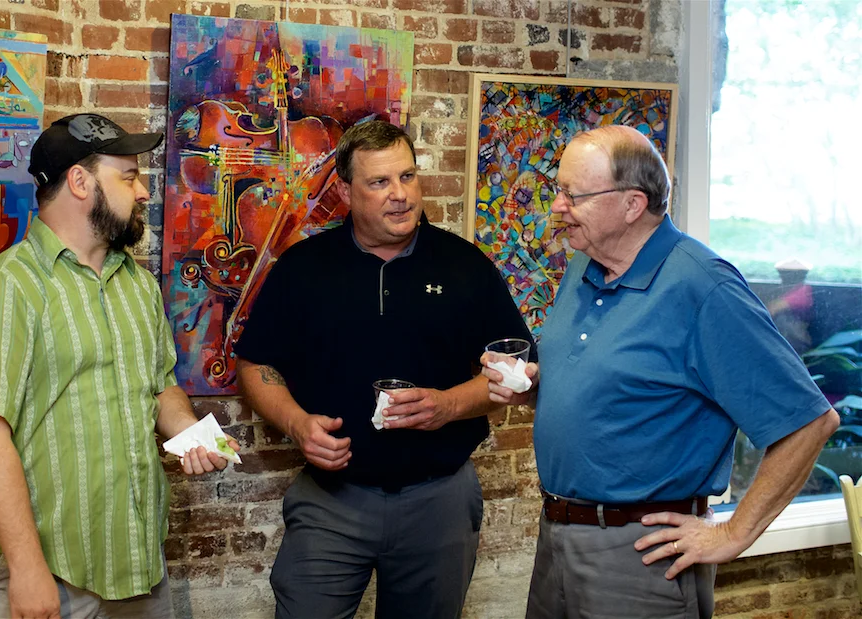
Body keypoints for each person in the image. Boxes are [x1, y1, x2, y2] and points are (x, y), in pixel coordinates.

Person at [481, 125, 839, 618]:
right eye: (558, 190)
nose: (557, 207)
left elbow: (810, 422)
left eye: (573, 195)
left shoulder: (704, 287)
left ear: (633, 204)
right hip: (556, 537)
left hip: (642, 556)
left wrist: (733, 534)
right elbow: (614, 386)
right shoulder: (583, 267)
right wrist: (533, 386)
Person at [234, 120, 535, 619]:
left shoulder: (466, 266)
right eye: (379, 182)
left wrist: (447, 405)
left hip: (440, 499)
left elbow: (519, 370)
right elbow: (255, 363)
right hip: (331, 499)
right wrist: (296, 424)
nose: (400, 194)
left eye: (407, 176)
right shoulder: (302, 268)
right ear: (345, 192)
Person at [0, 113, 238, 619]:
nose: (143, 192)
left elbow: (160, 387)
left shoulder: (137, 285)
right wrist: (27, 568)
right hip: (46, 571)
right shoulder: (7, 287)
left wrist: (189, 431)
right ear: (80, 182)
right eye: (128, 177)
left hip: (136, 560)